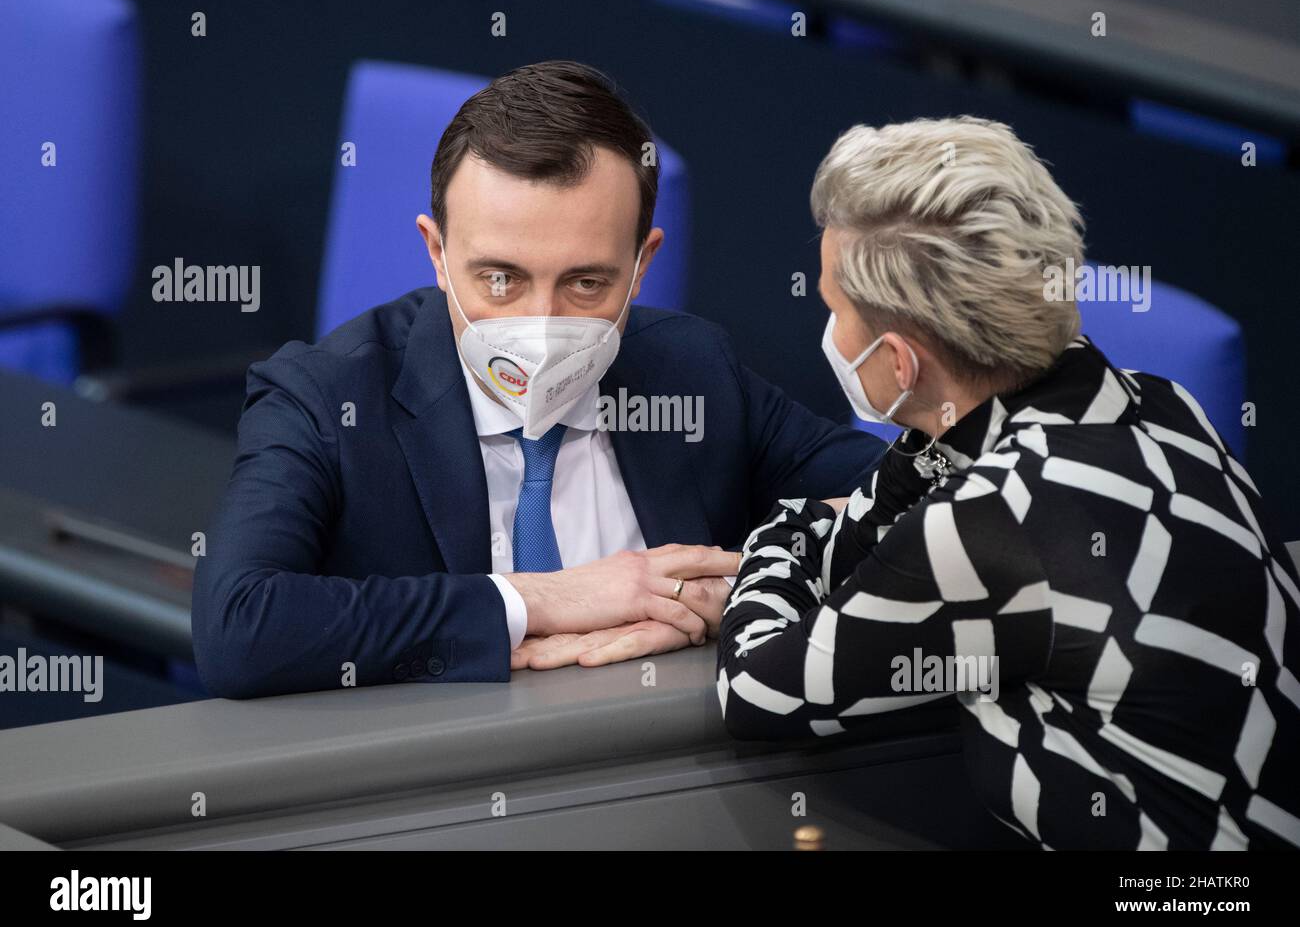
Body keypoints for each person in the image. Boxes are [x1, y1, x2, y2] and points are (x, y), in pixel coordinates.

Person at [191, 61, 886, 699]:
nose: (541, 323)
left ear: (642, 265)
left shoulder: (692, 371)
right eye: (501, 278)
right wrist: (542, 599)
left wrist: (739, 584)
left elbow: (928, 498)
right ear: (436, 253)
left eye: (587, 283)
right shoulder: (325, 398)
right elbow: (240, 627)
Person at [716, 116, 1300, 850]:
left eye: (834, 309)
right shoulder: (1162, 404)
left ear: (900, 364)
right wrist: (920, 437)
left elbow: (758, 690)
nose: (829, 332)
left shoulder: (988, 518)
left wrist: (774, 539)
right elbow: (875, 529)